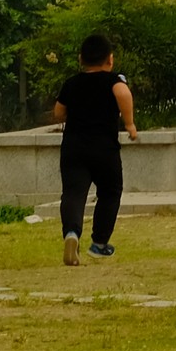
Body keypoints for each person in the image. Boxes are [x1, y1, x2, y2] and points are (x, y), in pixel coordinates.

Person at [51, 34, 138, 263]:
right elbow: (123, 93)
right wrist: (129, 123)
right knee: (110, 192)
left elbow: (58, 113)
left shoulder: (71, 83)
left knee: (73, 192)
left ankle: (71, 233)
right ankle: (99, 243)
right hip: (104, 149)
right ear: (110, 60)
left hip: (74, 147)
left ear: (81, 59)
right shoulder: (113, 82)